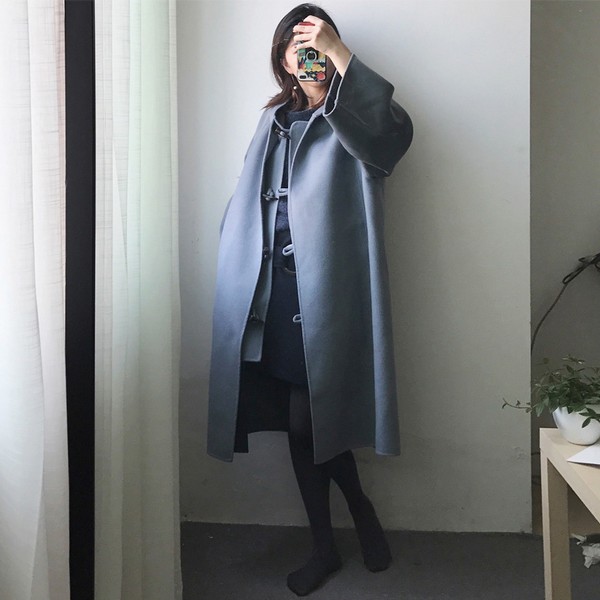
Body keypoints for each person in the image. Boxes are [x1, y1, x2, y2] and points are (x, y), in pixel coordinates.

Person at [207, 3, 413, 596]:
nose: (307, 59)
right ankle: (345, 526)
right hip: (269, 294)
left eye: (317, 48)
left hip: (327, 297)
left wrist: (340, 55)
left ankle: (338, 533)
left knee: (309, 421)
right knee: (301, 424)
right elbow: (247, 199)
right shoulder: (272, 120)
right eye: (295, 49)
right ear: (281, 60)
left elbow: (391, 139)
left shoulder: (357, 120)